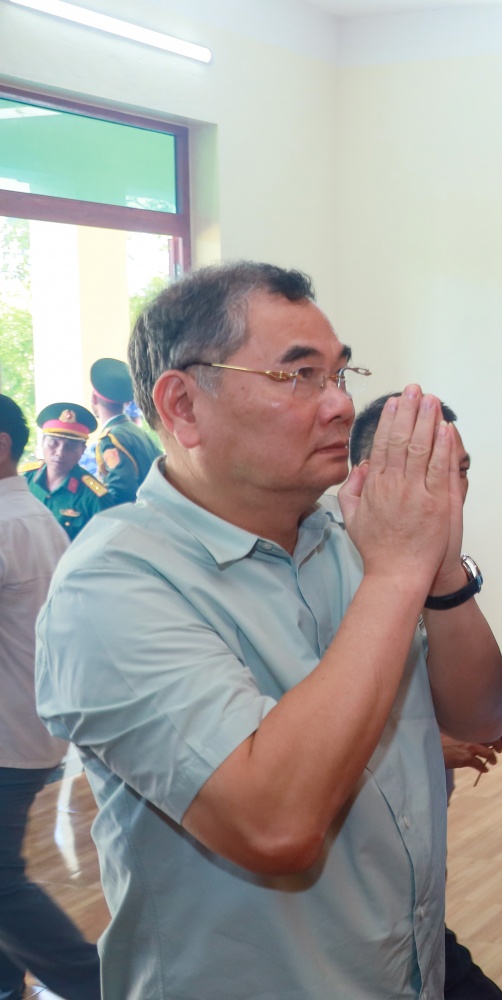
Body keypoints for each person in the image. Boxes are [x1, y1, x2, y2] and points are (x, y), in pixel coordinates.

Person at [34, 262, 502, 999]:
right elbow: (275, 824)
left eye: (339, 374)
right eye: (298, 376)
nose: (341, 405)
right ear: (183, 406)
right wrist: (396, 575)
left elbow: (478, 716)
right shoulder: (112, 582)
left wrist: (440, 567)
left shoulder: (344, 539)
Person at [350, 392, 502, 1000]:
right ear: (369, 475)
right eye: (432, 469)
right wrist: (429, 740)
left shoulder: (441, 573)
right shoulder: (334, 574)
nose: (454, 489)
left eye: (462, 469)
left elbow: (479, 715)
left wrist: (477, 725)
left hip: (416, 900)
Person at [0, 393, 102, 1000]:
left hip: (8, 733)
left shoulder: (11, 522)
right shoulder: (28, 514)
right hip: (23, 722)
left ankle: (98, 988)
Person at [21, 403, 106, 541]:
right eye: (53, 443)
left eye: (70, 446)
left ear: (82, 450)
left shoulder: (94, 496)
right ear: (43, 443)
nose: (60, 452)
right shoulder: (25, 479)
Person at [88, 358, 163, 508]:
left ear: (93, 398)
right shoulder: (136, 431)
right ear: (126, 402)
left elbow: (121, 493)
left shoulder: (111, 440)